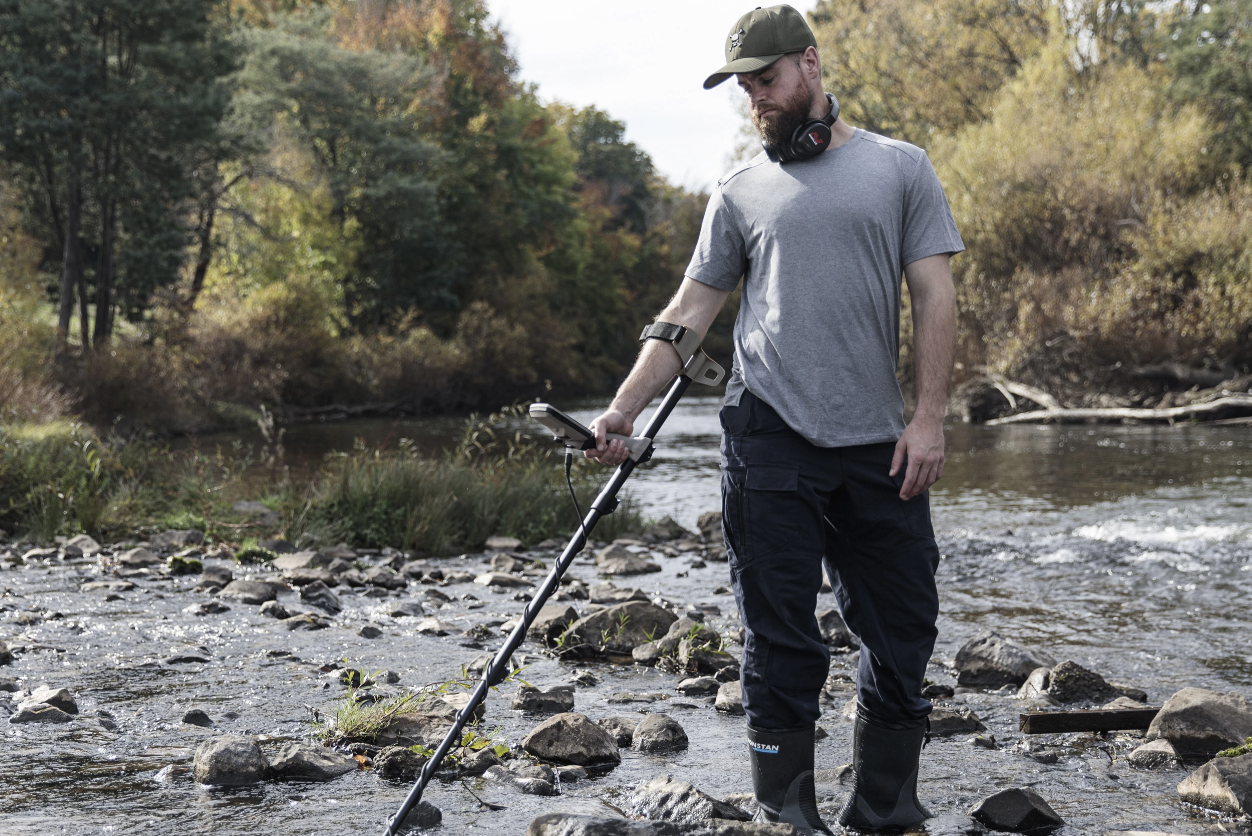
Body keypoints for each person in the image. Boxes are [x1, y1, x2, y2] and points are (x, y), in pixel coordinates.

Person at [585, 4, 964, 833]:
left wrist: (929, 419)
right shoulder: (739, 190)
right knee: (781, 636)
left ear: (811, 65)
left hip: (880, 445)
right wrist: (621, 408)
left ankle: (883, 808)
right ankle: (787, 814)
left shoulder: (901, 168)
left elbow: (935, 295)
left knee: (904, 632)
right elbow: (688, 312)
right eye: (743, 88)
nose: (756, 99)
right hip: (768, 439)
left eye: (765, 80)